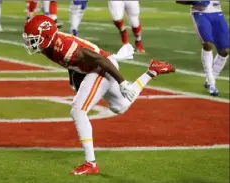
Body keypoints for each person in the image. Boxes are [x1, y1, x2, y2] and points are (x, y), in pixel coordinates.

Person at [23, 15, 175, 175]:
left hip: (103, 66)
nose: (30, 42)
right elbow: (70, 62)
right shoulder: (50, 46)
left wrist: (122, 82)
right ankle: (153, 70)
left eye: (34, 38)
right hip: (94, 67)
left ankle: (91, 163)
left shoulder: (64, 46)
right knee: (120, 106)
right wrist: (73, 78)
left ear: (47, 36)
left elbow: (99, 59)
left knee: (78, 110)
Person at [176, 0, 229, 96]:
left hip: (217, 13)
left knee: (225, 51)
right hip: (200, 13)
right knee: (207, 44)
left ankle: (209, 81)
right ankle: (212, 83)